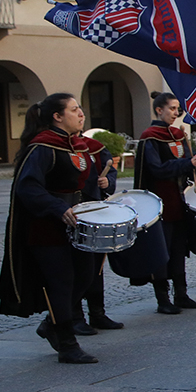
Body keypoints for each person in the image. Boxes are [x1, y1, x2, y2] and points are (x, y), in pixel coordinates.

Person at [0, 94, 104, 364]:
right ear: (57, 116)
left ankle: (51, 324)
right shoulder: (43, 146)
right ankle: (67, 344)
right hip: (47, 227)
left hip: (77, 224)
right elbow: (28, 187)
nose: (81, 113)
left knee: (85, 276)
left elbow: (86, 182)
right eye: (74, 109)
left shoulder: (75, 145)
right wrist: (56, 208)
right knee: (61, 282)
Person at [134, 92, 196, 313]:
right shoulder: (150, 137)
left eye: (177, 109)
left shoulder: (179, 134)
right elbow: (156, 169)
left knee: (178, 249)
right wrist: (185, 164)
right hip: (159, 202)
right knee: (161, 250)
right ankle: (163, 299)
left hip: (179, 202)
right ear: (158, 110)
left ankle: (181, 294)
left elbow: (190, 167)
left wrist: (195, 166)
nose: (176, 113)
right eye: (172, 109)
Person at [70, 141, 120, 336]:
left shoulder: (94, 147)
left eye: (81, 112)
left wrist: (108, 182)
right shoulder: (58, 148)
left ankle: (97, 313)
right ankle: (75, 317)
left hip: (95, 210)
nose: (80, 116)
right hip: (74, 211)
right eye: (75, 111)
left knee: (96, 264)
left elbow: (110, 171)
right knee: (77, 267)